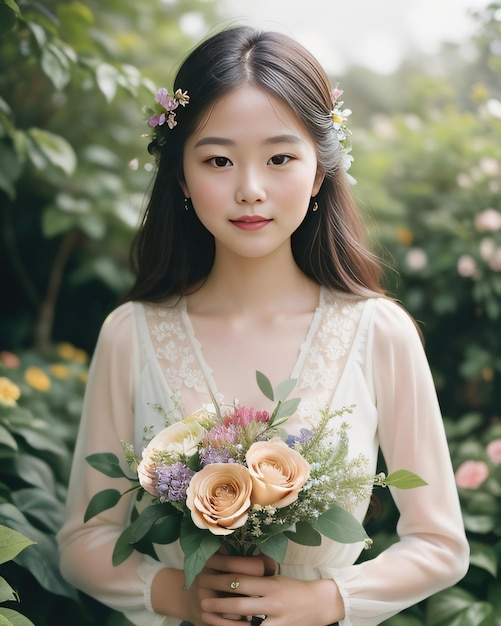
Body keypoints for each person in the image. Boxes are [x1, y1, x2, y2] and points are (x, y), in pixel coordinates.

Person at [57, 25, 469, 626]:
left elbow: (441, 544)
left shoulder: (378, 331)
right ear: (181, 178)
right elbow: (82, 541)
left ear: (320, 172)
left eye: (280, 158)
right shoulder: (131, 333)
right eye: (218, 160)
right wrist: (180, 594)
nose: (250, 190)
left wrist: (325, 600)